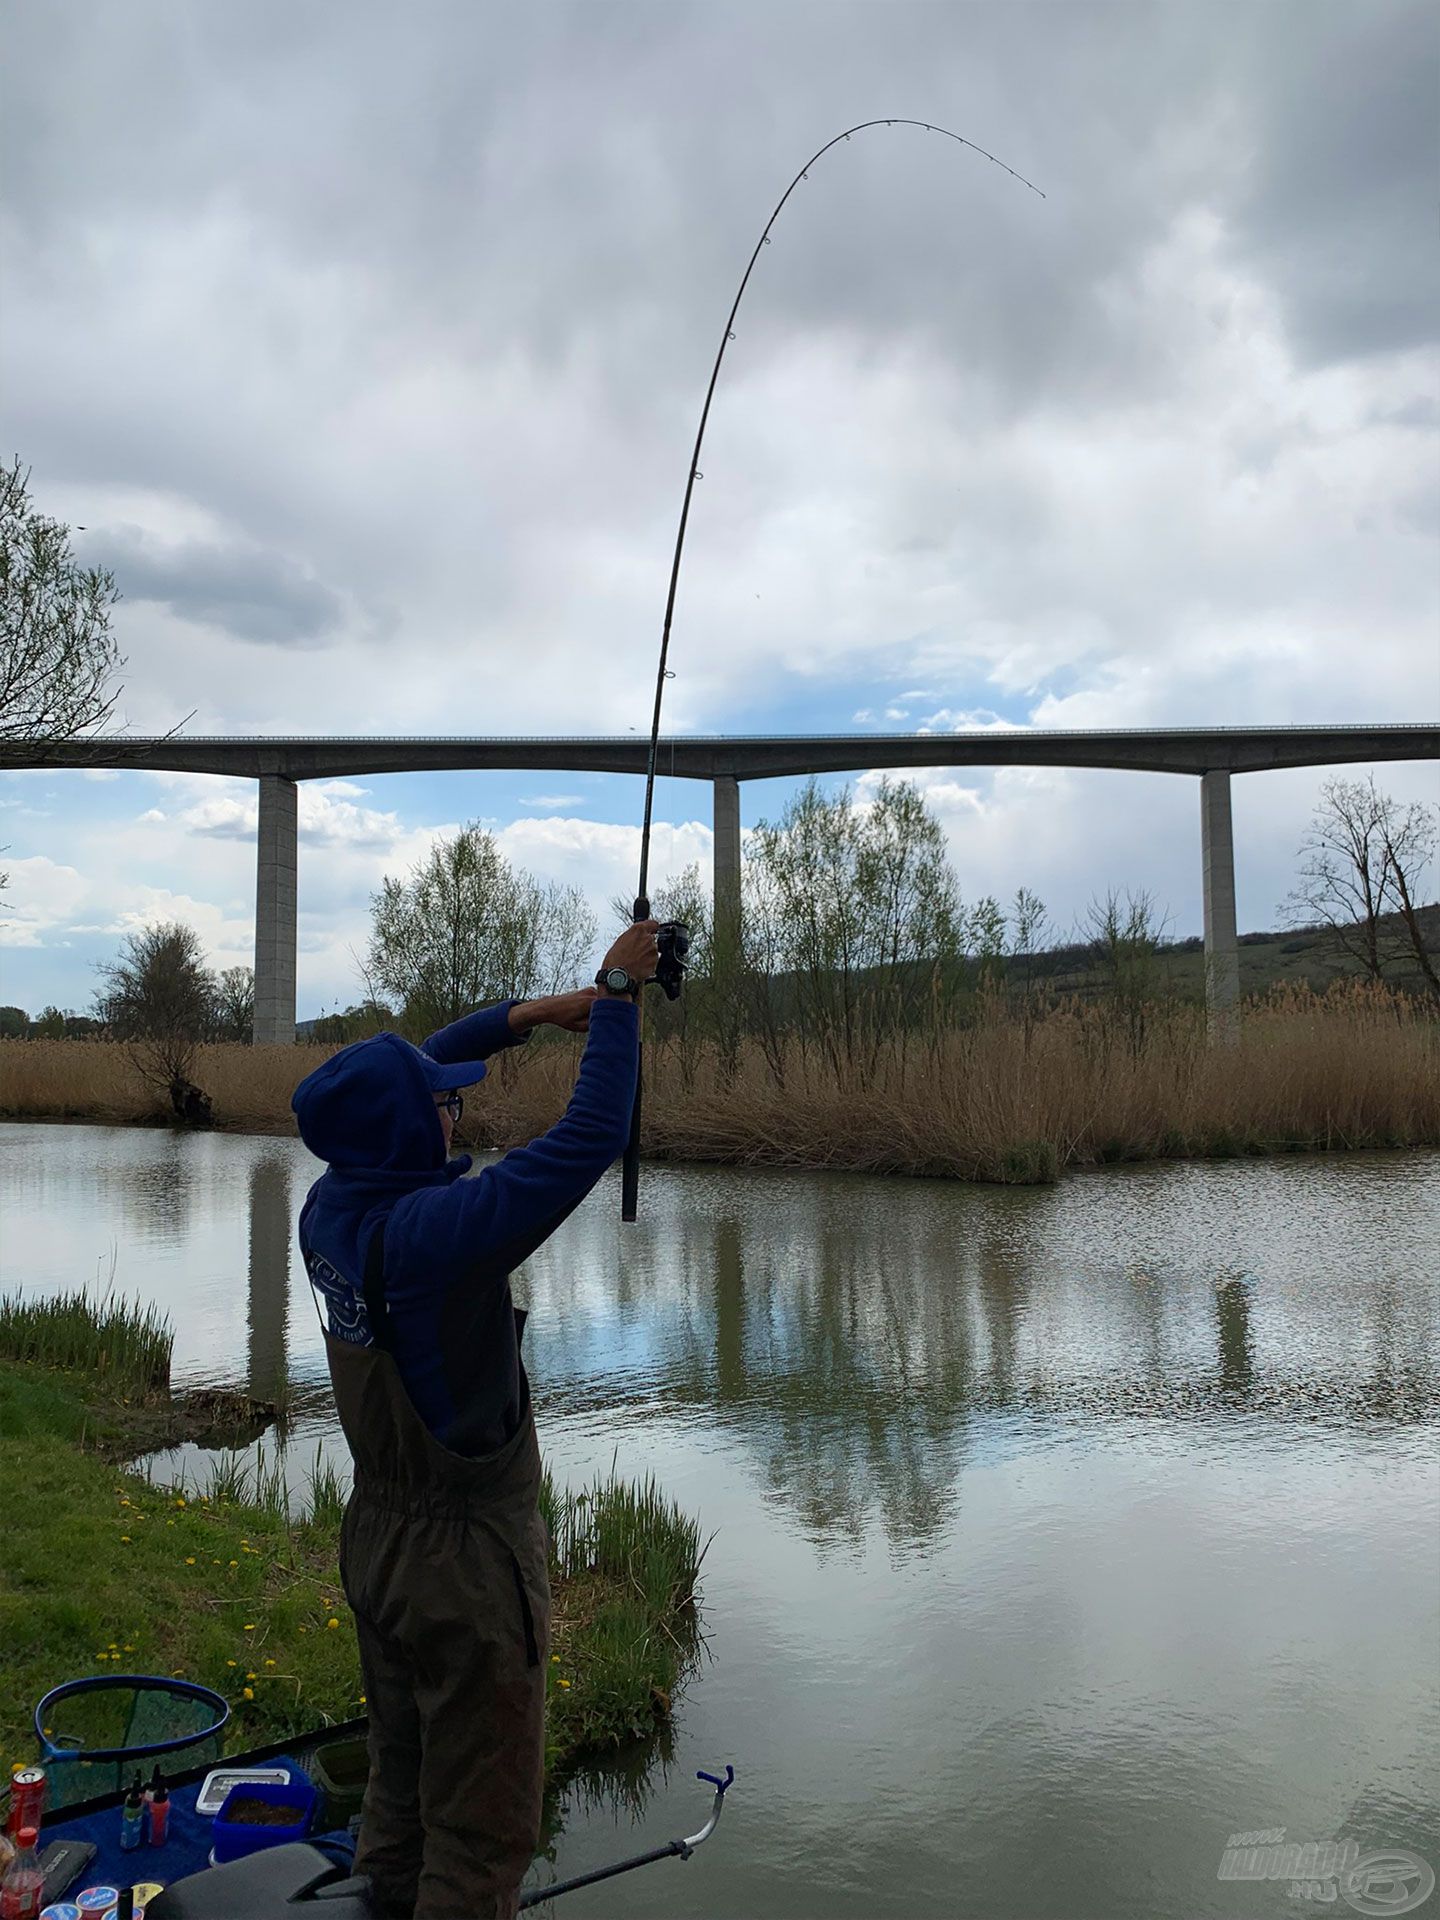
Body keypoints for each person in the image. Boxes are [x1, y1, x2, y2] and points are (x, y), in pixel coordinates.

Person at [290, 919, 660, 1920]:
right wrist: (619, 1003)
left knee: (402, 1804)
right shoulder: (436, 1237)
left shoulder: (330, 1209)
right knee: (481, 1841)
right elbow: (587, 1139)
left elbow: (425, 1063)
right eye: (441, 1110)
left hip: (378, 1546)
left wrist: (547, 1013)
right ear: (413, 1132)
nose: (454, 1116)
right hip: (465, 1571)